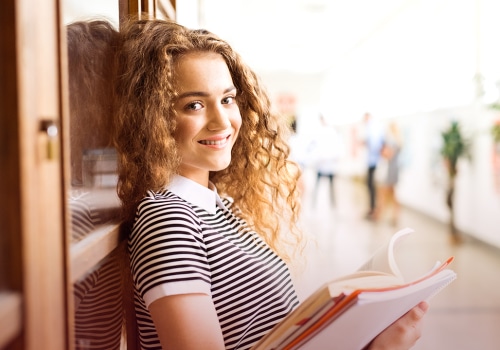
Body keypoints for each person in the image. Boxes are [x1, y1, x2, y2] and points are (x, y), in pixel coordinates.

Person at [113, 18, 428, 350]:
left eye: (227, 99)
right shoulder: (170, 220)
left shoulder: (216, 206)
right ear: (154, 118)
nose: (222, 121)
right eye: (194, 105)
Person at [378, 121, 403, 225]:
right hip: (392, 169)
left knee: (384, 192)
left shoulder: (395, 143)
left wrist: (383, 151)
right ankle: (394, 215)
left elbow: (388, 155)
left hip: (392, 170)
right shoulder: (397, 142)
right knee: (392, 194)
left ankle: (380, 214)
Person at [362, 112, 385, 220]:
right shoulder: (371, 128)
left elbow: (375, 145)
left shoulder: (373, 128)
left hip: (374, 162)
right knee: (370, 186)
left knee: (372, 187)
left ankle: (374, 210)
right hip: (372, 162)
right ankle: (372, 208)